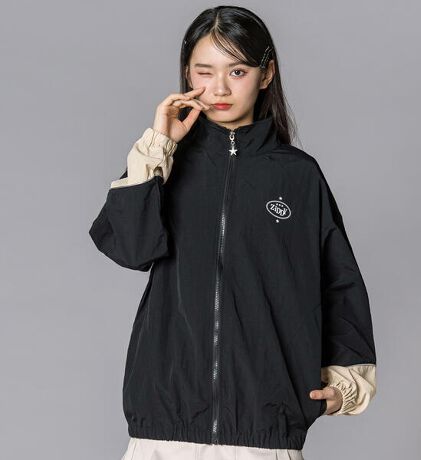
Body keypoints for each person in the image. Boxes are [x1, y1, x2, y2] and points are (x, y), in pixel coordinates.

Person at [89, 5, 377, 460]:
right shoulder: (164, 165)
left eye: (237, 71)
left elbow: (338, 282)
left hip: (264, 431)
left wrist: (346, 382)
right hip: (163, 431)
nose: (220, 88)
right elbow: (129, 248)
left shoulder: (298, 176)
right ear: (187, 74)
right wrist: (158, 146)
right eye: (204, 72)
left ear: (266, 74)